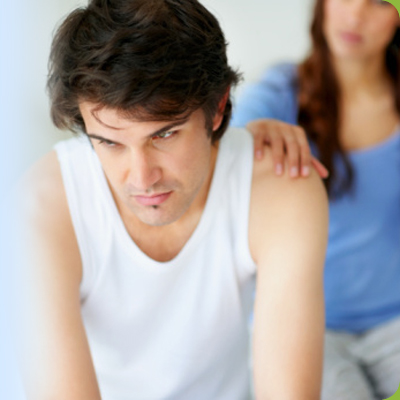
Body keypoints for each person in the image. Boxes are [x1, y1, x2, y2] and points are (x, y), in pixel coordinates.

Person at [14, 1, 328, 399]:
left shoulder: (280, 185)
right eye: (109, 142)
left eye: (164, 135)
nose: (141, 178)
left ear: (217, 108)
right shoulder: (39, 211)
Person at [231, 0, 400, 399]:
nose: (355, 15)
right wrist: (253, 135)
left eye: (378, 2)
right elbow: (223, 152)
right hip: (307, 328)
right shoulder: (280, 92)